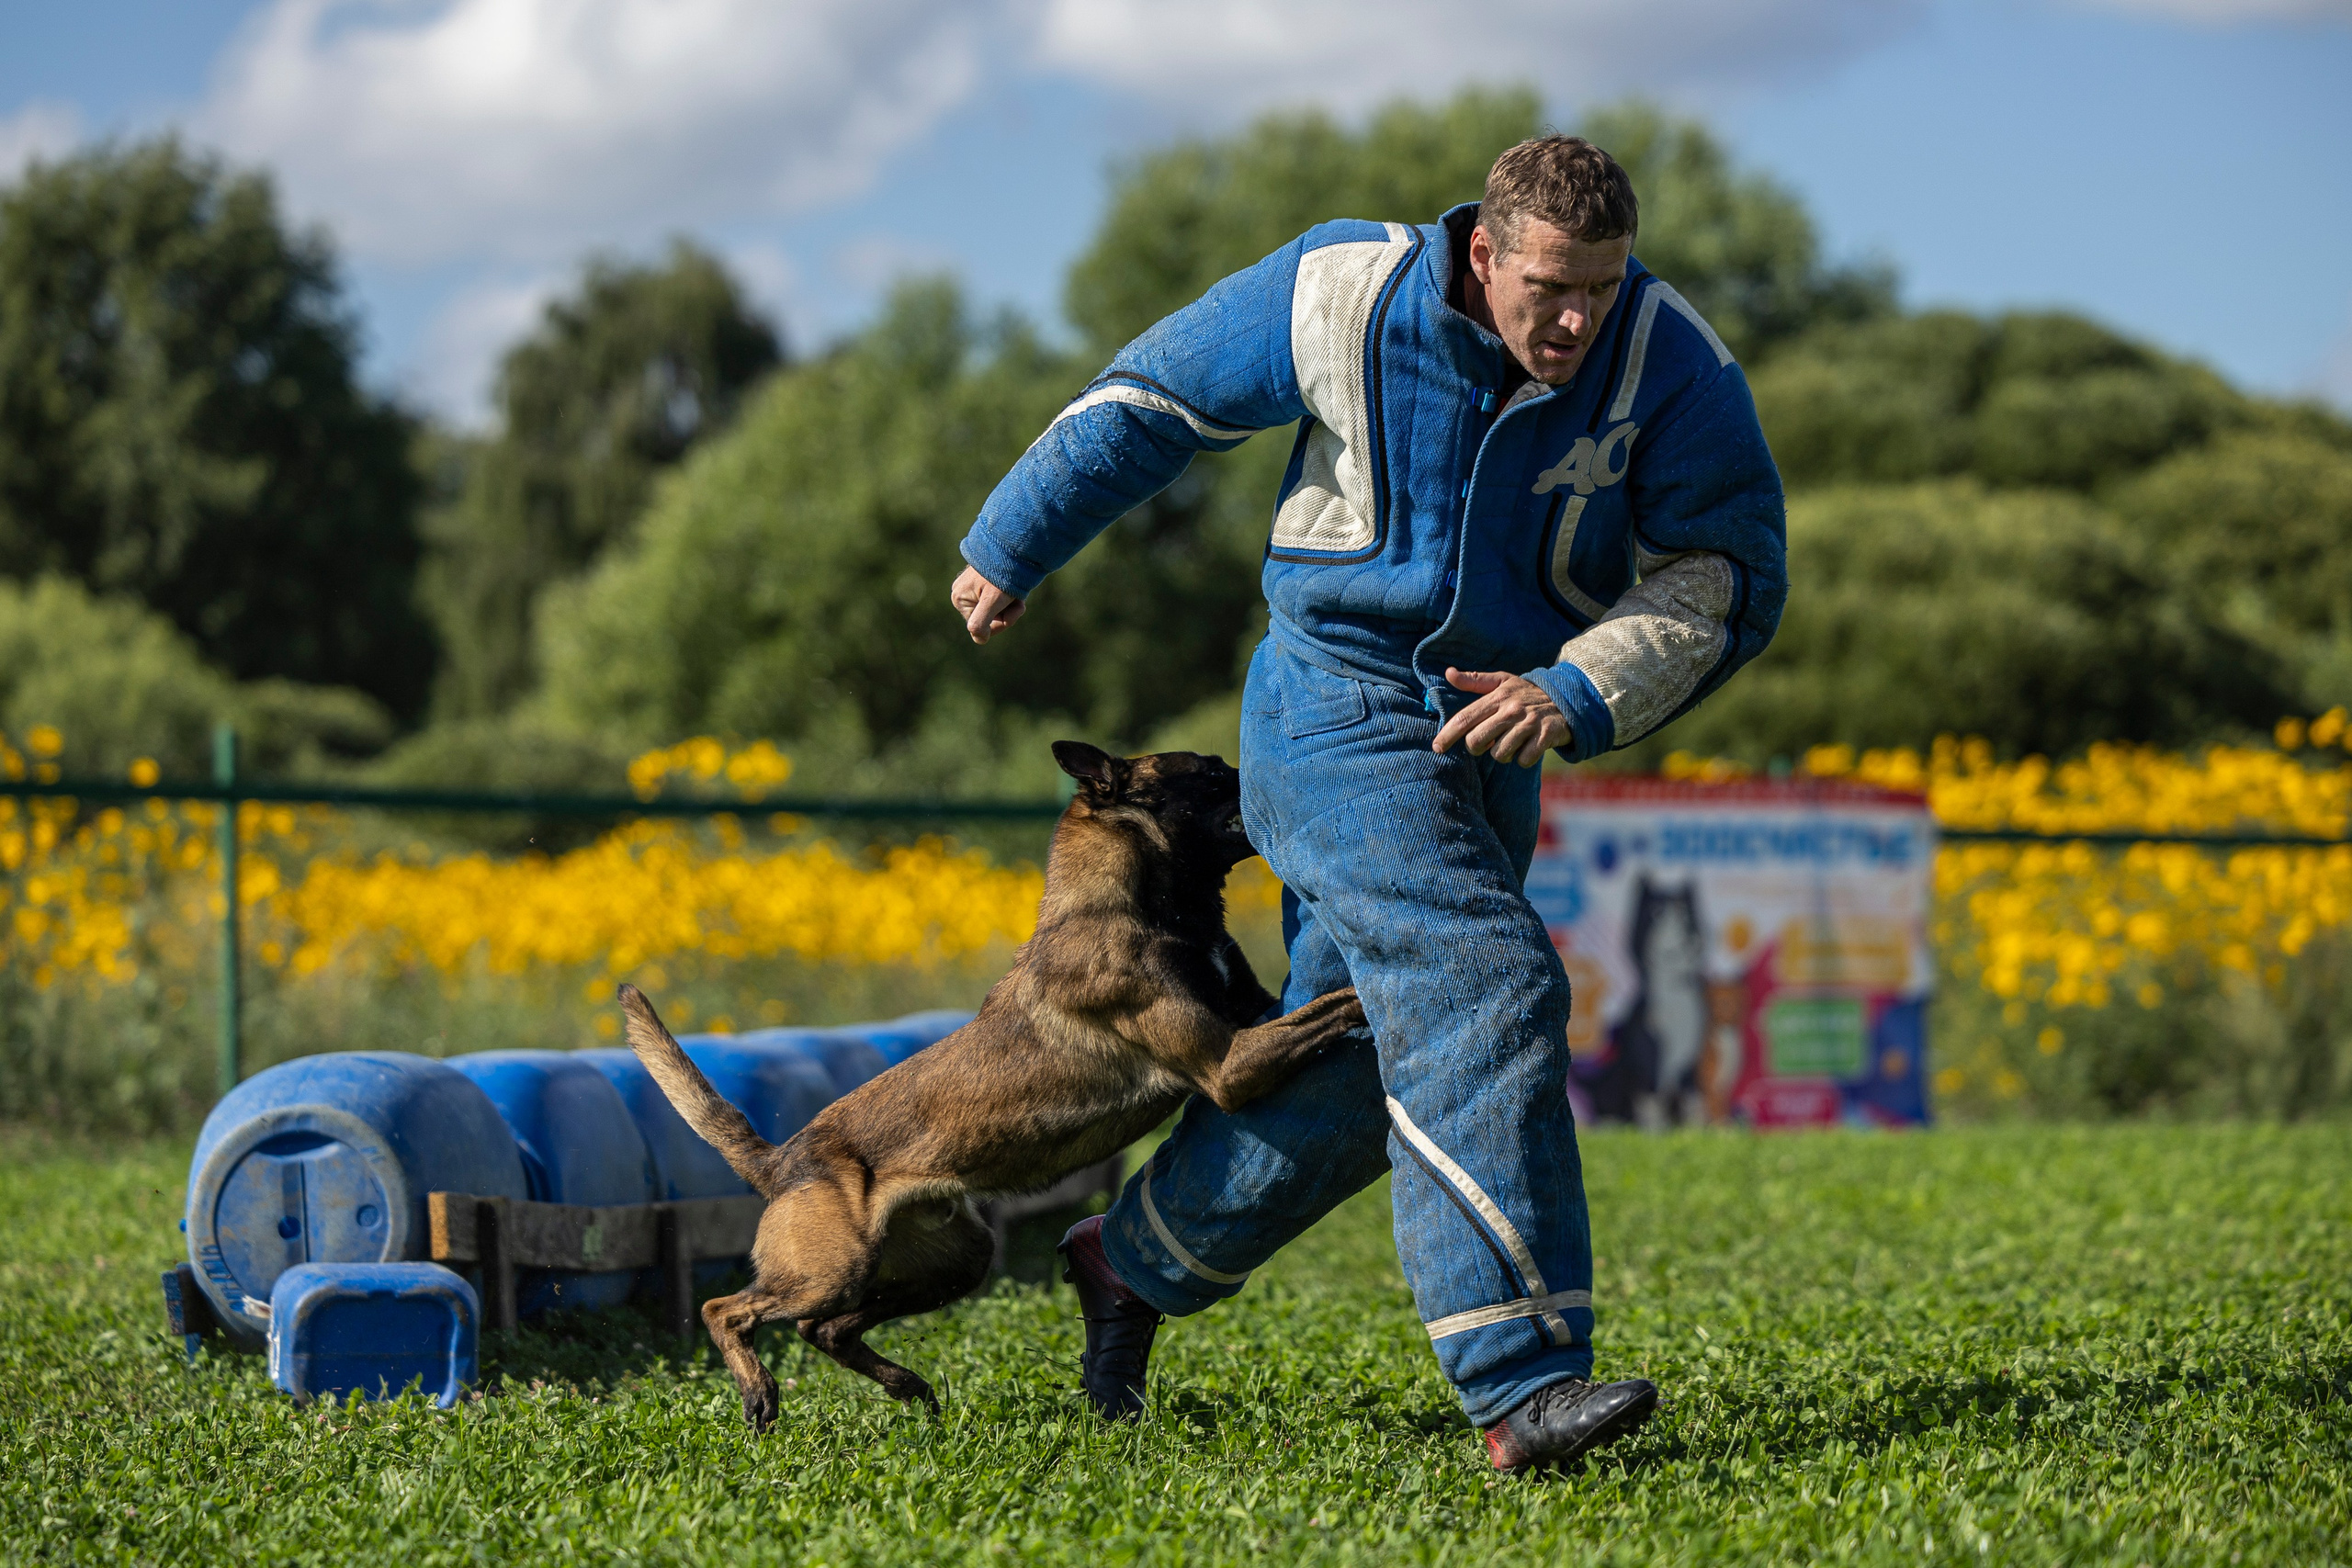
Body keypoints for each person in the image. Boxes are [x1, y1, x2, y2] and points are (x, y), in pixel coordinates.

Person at [948, 135, 1785, 1474]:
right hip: (1332, 712)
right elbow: (1154, 397)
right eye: (1549, 289)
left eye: (1603, 288)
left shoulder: (1673, 361)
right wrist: (1010, 540)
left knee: (1357, 1060)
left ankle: (1133, 1258)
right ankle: (1523, 1389)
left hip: (1504, 727)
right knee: (1485, 980)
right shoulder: (1342, 289)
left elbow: (1728, 572)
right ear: (1484, 253)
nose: (1575, 321)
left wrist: (1576, 687)